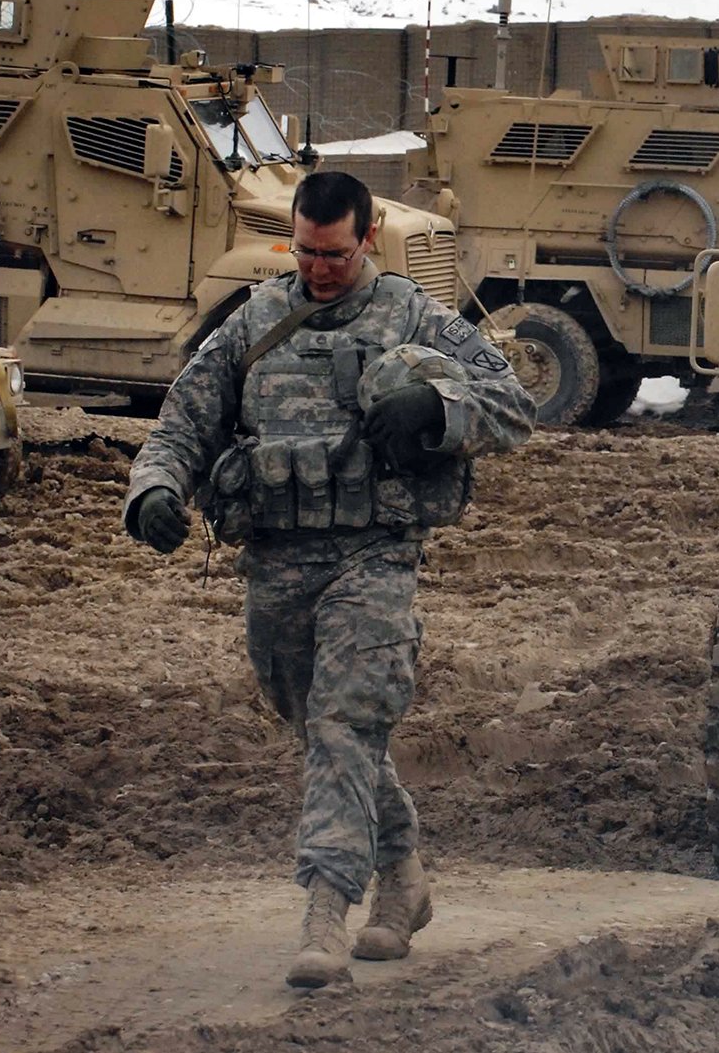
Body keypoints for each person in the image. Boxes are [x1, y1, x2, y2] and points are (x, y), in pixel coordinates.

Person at [123, 171, 536, 988]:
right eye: (306, 253)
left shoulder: (418, 317)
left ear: (368, 235)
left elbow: (515, 403)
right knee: (322, 730)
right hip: (276, 562)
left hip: (374, 555)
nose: (319, 269)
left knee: (346, 721)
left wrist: (436, 408)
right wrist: (155, 491)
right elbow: (184, 420)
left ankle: (325, 910)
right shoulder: (257, 320)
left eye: (336, 255)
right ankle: (405, 873)